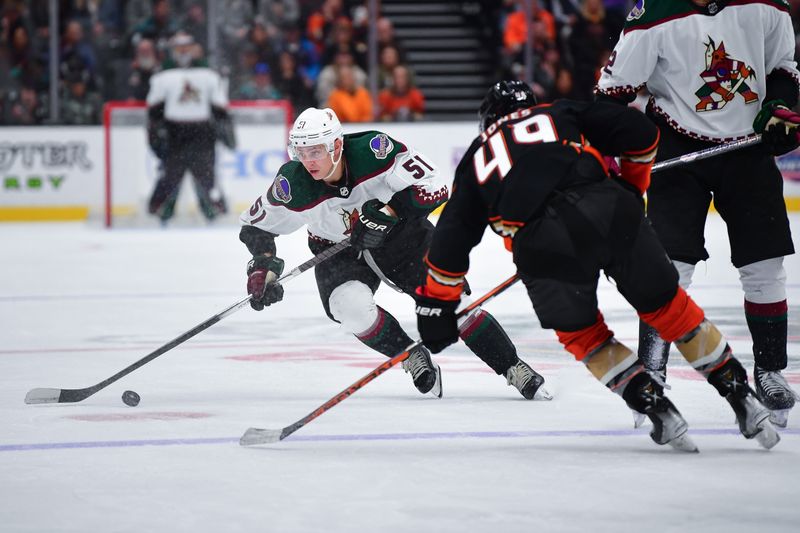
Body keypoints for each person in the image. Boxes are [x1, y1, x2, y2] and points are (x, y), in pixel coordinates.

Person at [413, 80, 780, 451]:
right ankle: (740, 395)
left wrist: (438, 303)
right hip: (609, 209)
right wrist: (633, 189)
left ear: (487, 121)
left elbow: (453, 236)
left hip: (543, 243)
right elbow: (643, 134)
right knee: (670, 309)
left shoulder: (477, 156)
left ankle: (656, 408)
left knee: (585, 335)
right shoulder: (560, 111)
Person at [239, 106, 551, 401]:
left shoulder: (374, 151)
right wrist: (263, 266)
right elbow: (255, 227)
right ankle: (410, 353)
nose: (309, 161)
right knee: (349, 308)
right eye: (302, 152)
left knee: (454, 306)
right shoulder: (292, 184)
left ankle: (512, 366)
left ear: (336, 145)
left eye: (316, 150)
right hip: (337, 252)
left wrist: (390, 210)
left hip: (403, 238)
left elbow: (435, 185)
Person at [596, 0, 799, 427]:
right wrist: (609, 151)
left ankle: (769, 371)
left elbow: (783, 66)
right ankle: (651, 372)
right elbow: (612, 92)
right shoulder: (653, 15)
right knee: (668, 268)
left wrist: (781, 107)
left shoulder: (764, 6)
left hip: (748, 147)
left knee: (764, 265)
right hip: (676, 142)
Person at [146, 32, 233, 224]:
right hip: (174, 133)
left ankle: (215, 215)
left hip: (202, 132)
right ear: (172, 50)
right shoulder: (163, 75)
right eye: (179, 47)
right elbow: (154, 110)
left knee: (207, 176)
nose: (183, 51)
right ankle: (159, 214)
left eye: (187, 46)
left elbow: (220, 108)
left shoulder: (208, 74)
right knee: (169, 177)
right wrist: (155, 134)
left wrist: (226, 130)